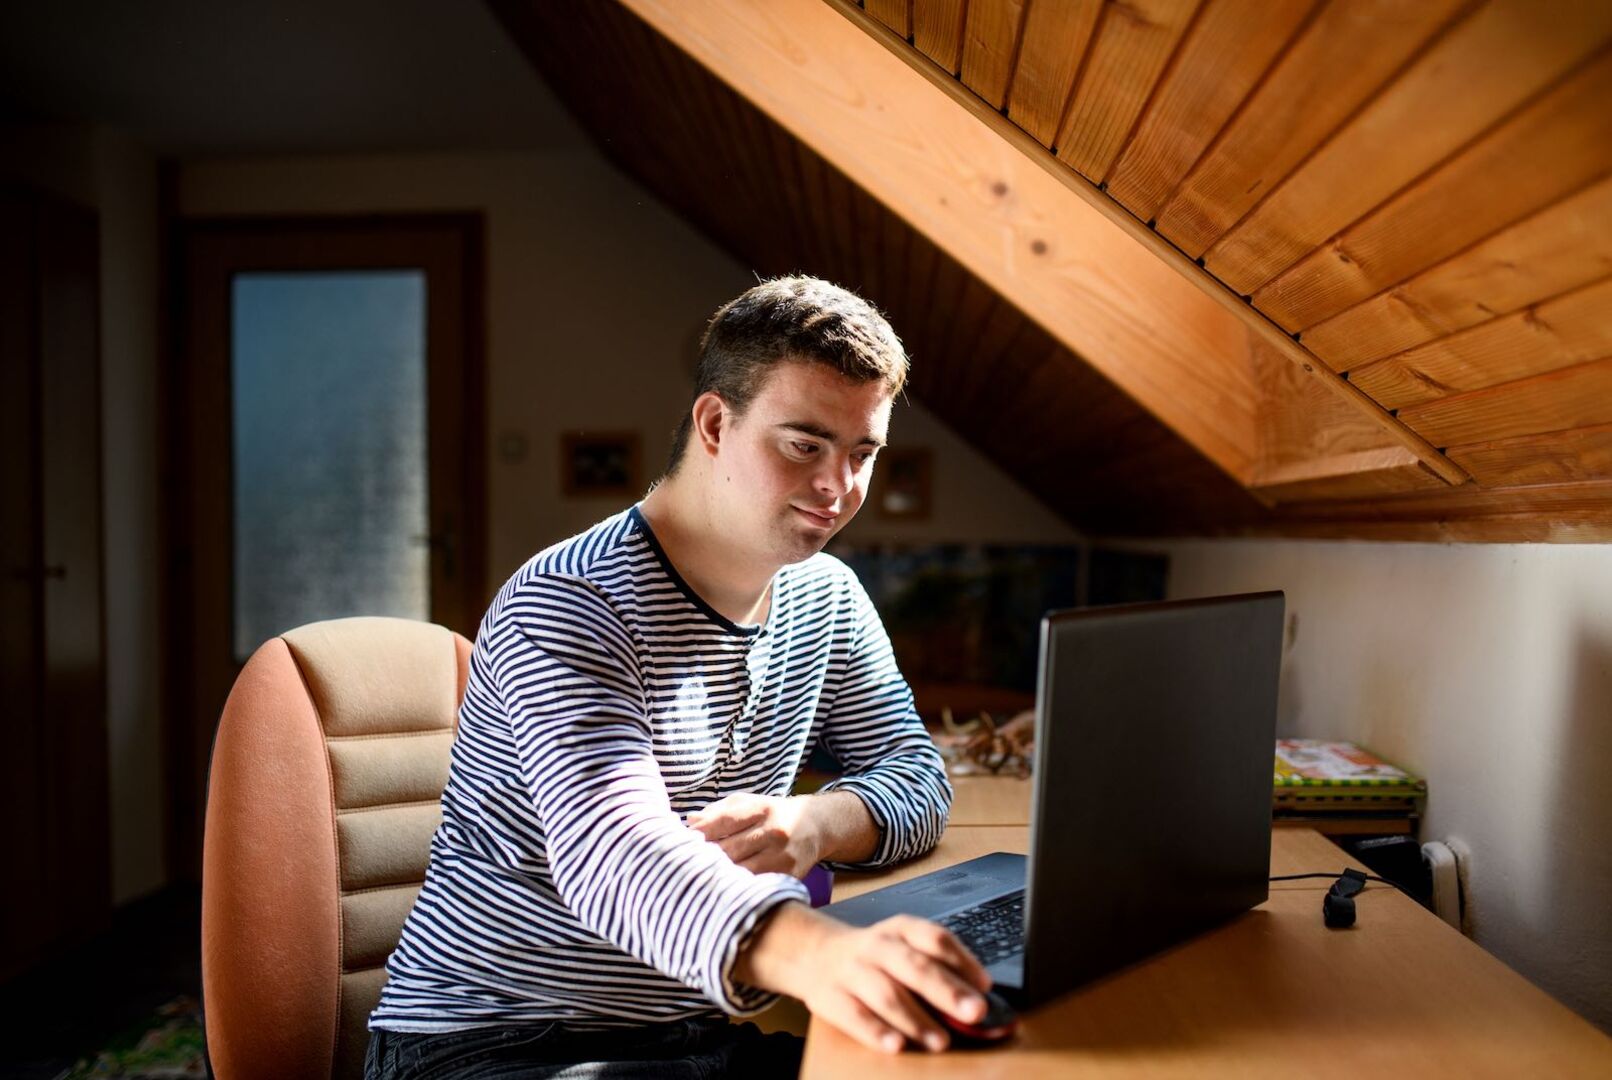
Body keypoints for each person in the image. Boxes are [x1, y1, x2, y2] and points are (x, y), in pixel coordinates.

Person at [364, 276, 993, 1079]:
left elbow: (918, 776)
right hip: (498, 1044)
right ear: (714, 423)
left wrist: (815, 823)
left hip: (702, 1032)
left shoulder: (827, 597)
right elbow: (613, 852)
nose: (839, 489)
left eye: (861, 453)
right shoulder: (570, 600)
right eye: (804, 445)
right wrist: (814, 955)